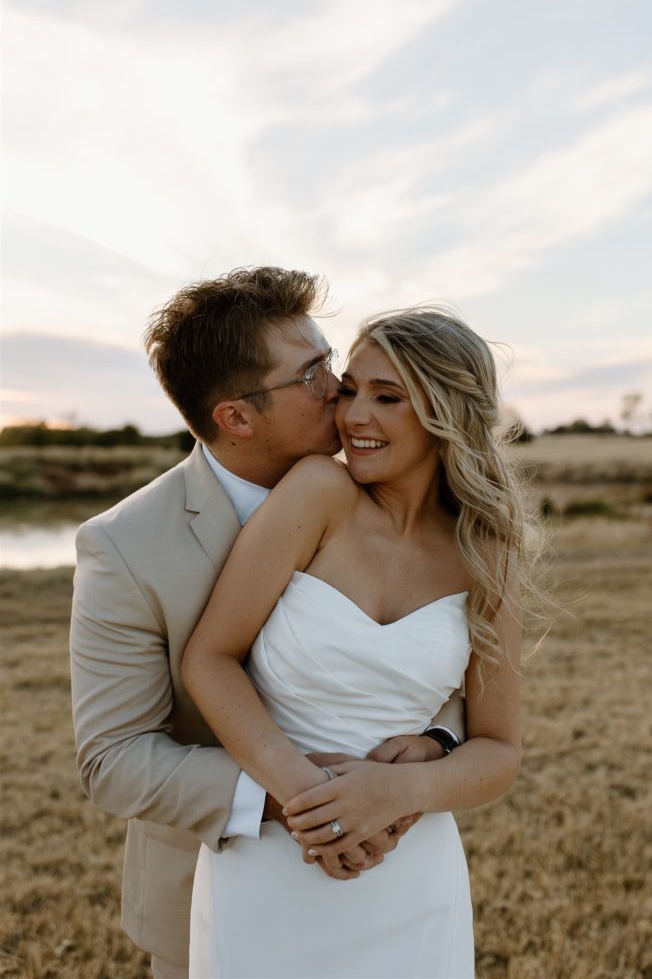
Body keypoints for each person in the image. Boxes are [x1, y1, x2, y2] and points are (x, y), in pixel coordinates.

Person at [69, 268, 464, 979]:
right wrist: (299, 801)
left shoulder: (386, 487)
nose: (340, 389)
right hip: (213, 890)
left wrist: (436, 742)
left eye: (330, 360)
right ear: (237, 417)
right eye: (312, 375)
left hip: (388, 872)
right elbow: (113, 761)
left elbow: (432, 655)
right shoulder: (124, 547)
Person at [182, 306, 527, 979]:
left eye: (386, 398)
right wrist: (314, 805)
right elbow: (210, 659)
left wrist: (401, 793)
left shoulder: (488, 554)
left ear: (447, 413)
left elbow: (498, 750)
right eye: (349, 390)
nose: (352, 417)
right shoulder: (318, 493)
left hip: (409, 875)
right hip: (275, 856)